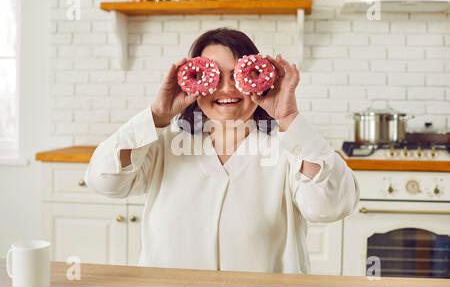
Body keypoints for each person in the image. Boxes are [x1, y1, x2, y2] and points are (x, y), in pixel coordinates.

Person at [85, 28, 359, 274]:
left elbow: (331, 206)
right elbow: (105, 180)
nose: (226, 88)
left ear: (260, 80)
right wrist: (156, 115)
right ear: (191, 83)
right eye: (212, 76)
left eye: (238, 75)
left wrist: (289, 117)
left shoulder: (288, 149)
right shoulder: (164, 146)